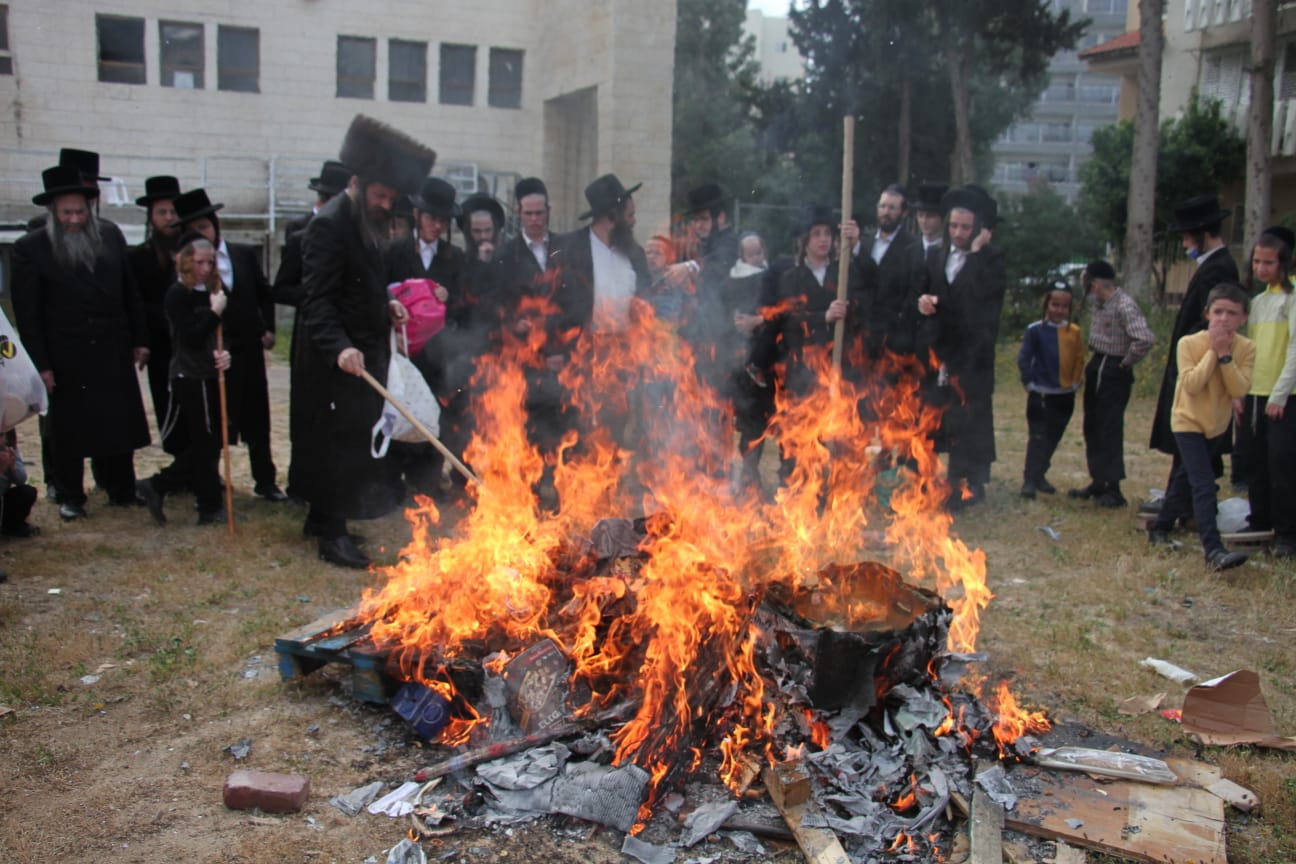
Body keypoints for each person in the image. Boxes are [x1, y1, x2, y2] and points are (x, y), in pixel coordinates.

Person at [291, 114, 431, 568]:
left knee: (351, 440)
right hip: (336, 358)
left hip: (362, 352)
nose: (386, 204)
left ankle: (321, 517)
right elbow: (317, 300)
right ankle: (332, 534)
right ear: (357, 183)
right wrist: (339, 347)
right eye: (380, 195)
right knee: (336, 445)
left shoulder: (365, 222)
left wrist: (385, 306)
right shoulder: (329, 225)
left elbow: (362, 284)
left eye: (391, 198)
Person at [11, 165, 151, 521]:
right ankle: (71, 494)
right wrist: (41, 364)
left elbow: (130, 292)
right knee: (68, 430)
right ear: (53, 213)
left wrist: (139, 339)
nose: (74, 219)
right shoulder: (31, 249)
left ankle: (121, 488)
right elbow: (28, 314)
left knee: (116, 421)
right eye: (67, 213)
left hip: (111, 347)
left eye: (79, 211)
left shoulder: (110, 236)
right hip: (65, 354)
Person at [174, 188, 286, 502]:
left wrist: (268, 328)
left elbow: (265, 293)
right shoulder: (192, 269)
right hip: (215, 355)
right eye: (194, 231)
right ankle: (210, 484)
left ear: (216, 225)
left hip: (248, 348)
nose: (203, 234)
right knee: (219, 422)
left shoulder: (243, 254)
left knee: (258, 419)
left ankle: (265, 481)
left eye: (205, 227)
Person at [1148, 284, 1255, 571]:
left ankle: (1160, 527)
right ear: (1207, 313)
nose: (1224, 319)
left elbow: (1239, 388)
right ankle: (1213, 550)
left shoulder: (1246, 348)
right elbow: (1193, 385)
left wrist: (1226, 357)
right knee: (1204, 483)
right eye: (1218, 312)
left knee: (1185, 477)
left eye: (1232, 313)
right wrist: (1213, 351)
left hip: (1216, 426)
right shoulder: (1189, 344)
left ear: (1243, 317)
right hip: (1187, 421)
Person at [915, 186, 1007, 509]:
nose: (957, 233)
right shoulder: (935, 255)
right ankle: (926, 481)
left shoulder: (992, 259)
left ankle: (962, 487)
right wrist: (923, 302)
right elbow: (925, 291)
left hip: (972, 356)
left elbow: (981, 305)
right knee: (933, 419)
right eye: (953, 226)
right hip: (939, 353)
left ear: (979, 229)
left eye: (965, 228)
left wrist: (979, 254)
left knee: (968, 422)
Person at [135, 234, 234, 525]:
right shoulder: (178, 294)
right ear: (186, 261)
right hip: (190, 375)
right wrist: (215, 313)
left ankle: (206, 503)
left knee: (212, 442)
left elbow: (223, 335)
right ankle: (166, 487)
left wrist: (225, 354)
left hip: (211, 372)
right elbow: (190, 336)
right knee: (206, 442)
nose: (205, 267)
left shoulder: (216, 290)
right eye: (199, 261)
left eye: (210, 262)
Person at [273, 159, 352, 502]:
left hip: (344, 339)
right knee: (305, 416)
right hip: (309, 337)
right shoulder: (300, 232)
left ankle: (334, 490)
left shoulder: (352, 234)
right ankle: (300, 487)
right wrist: (317, 296)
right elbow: (281, 288)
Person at [1150, 195, 1238, 461]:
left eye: (1188, 238)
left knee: (1193, 431)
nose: (1185, 244)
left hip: (1201, 363)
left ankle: (1184, 497)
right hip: (1194, 361)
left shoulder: (1219, 268)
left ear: (1204, 234)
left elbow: (1213, 321)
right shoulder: (1209, 265)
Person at [1068, 260, 1156, 508]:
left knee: (1109, 428)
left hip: (1113, 367)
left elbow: (1144, 338)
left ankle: (1114, 488)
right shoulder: (1099, 304)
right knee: (1092, 426)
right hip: (1098, 363)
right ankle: (1099, 481)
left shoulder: (1124, 305)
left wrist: (1125, 362)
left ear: (1094, 284)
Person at [1236, 227, 1296, 556]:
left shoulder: (1292, 297)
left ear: (1284, 262)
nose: (1261, 268)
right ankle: (1260, 522)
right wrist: (1240, 391)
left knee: (1282, 465)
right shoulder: (1258, 301)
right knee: (1253, 462)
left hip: (1284, 397)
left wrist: (1279, 394)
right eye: (1257, 261)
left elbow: (1294, 349)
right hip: (1255, 393)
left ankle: (1287, 534)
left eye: (1269, 263)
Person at [127, 175, 185, 455]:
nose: (169, 218)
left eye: (173, 211)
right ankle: (176, 456)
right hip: (160, 342)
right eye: (162, 212)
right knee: (165, 398)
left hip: (191, 340)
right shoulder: (139, 257)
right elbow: (135, 301)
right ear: (151, 217)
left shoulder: (193, 253)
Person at [1017, 288, 1083, 499]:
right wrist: (1030, 383)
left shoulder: (1073, 331)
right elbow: (1024, 357)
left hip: (1064, 394)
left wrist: (1074, 383)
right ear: (1046, 305)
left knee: (1053, 437)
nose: (1059, 310)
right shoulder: (1034, 330)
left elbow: (1079, 358)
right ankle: (1028, 479)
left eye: (1064, 306)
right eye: (1055, 305)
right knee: (1037, 436)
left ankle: (1040, 475)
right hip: (1041, 393)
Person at [843, 184, 921, 360]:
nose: (886, 212)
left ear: (904, 213)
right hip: (860, 335)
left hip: (892, 338)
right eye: (882, 206)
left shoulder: (912, 246)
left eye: (892, 208)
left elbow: (886, 282)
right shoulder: (865, 241)